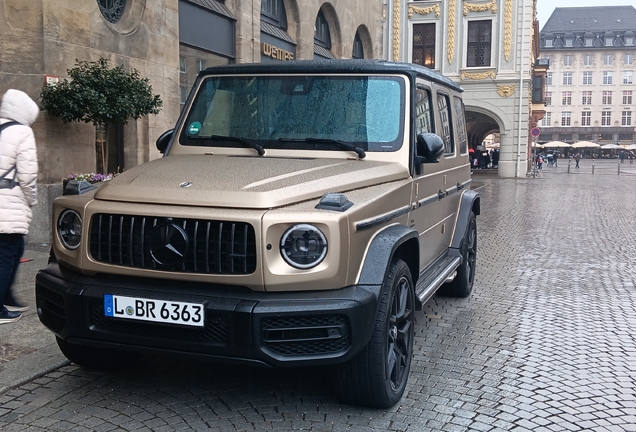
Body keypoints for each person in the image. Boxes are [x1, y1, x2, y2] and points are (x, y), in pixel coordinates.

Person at [0, 89, 39, 324]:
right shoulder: (22, 132)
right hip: (9, 202)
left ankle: (7, 295)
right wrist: (32, 199)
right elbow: (27, 176)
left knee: (12, 250)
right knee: (8, 253)